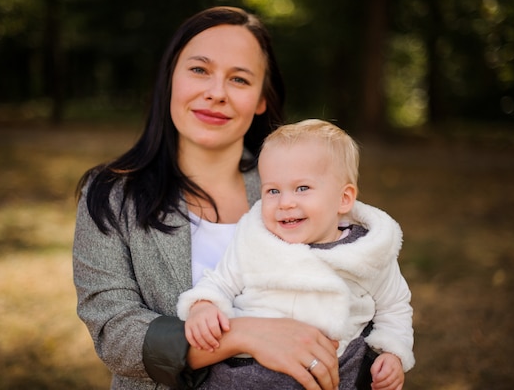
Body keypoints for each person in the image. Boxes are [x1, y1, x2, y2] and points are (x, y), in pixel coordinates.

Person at [73, 7, 343, 390]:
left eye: (239, 79)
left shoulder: (299, 190)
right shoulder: (110, 196)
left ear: (262, 99)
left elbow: (352, 278)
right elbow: (114, 333)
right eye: (199, 70)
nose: (216, 93)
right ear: (170, 79)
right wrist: (242, 334)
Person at [177, 119, 414, 390]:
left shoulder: (368, 252)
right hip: (244, 375)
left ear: (344, 199)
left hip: (334, 373)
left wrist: (393, 352)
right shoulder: (255, 238)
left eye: (302, 188)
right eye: (273, 190)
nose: (286, 202)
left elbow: (394, 308)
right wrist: (203, 305)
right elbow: (220, 282)